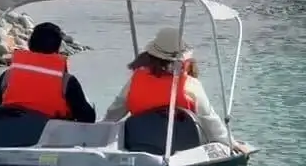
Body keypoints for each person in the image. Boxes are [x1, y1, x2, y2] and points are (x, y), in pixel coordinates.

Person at [102, 27, 249, 153]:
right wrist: (232, 143)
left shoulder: (135, 80)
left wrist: (99, 131)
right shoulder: (190, 84)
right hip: (185, 148)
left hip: (141, 144)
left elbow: (115, 112)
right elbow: (210, 120)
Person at [0, 22, 96, 123]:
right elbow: (88, 118)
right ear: (58, 48)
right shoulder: (67, 82)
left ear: (30, 44)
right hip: (49, 133)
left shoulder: (7, 76)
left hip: (10, 130)